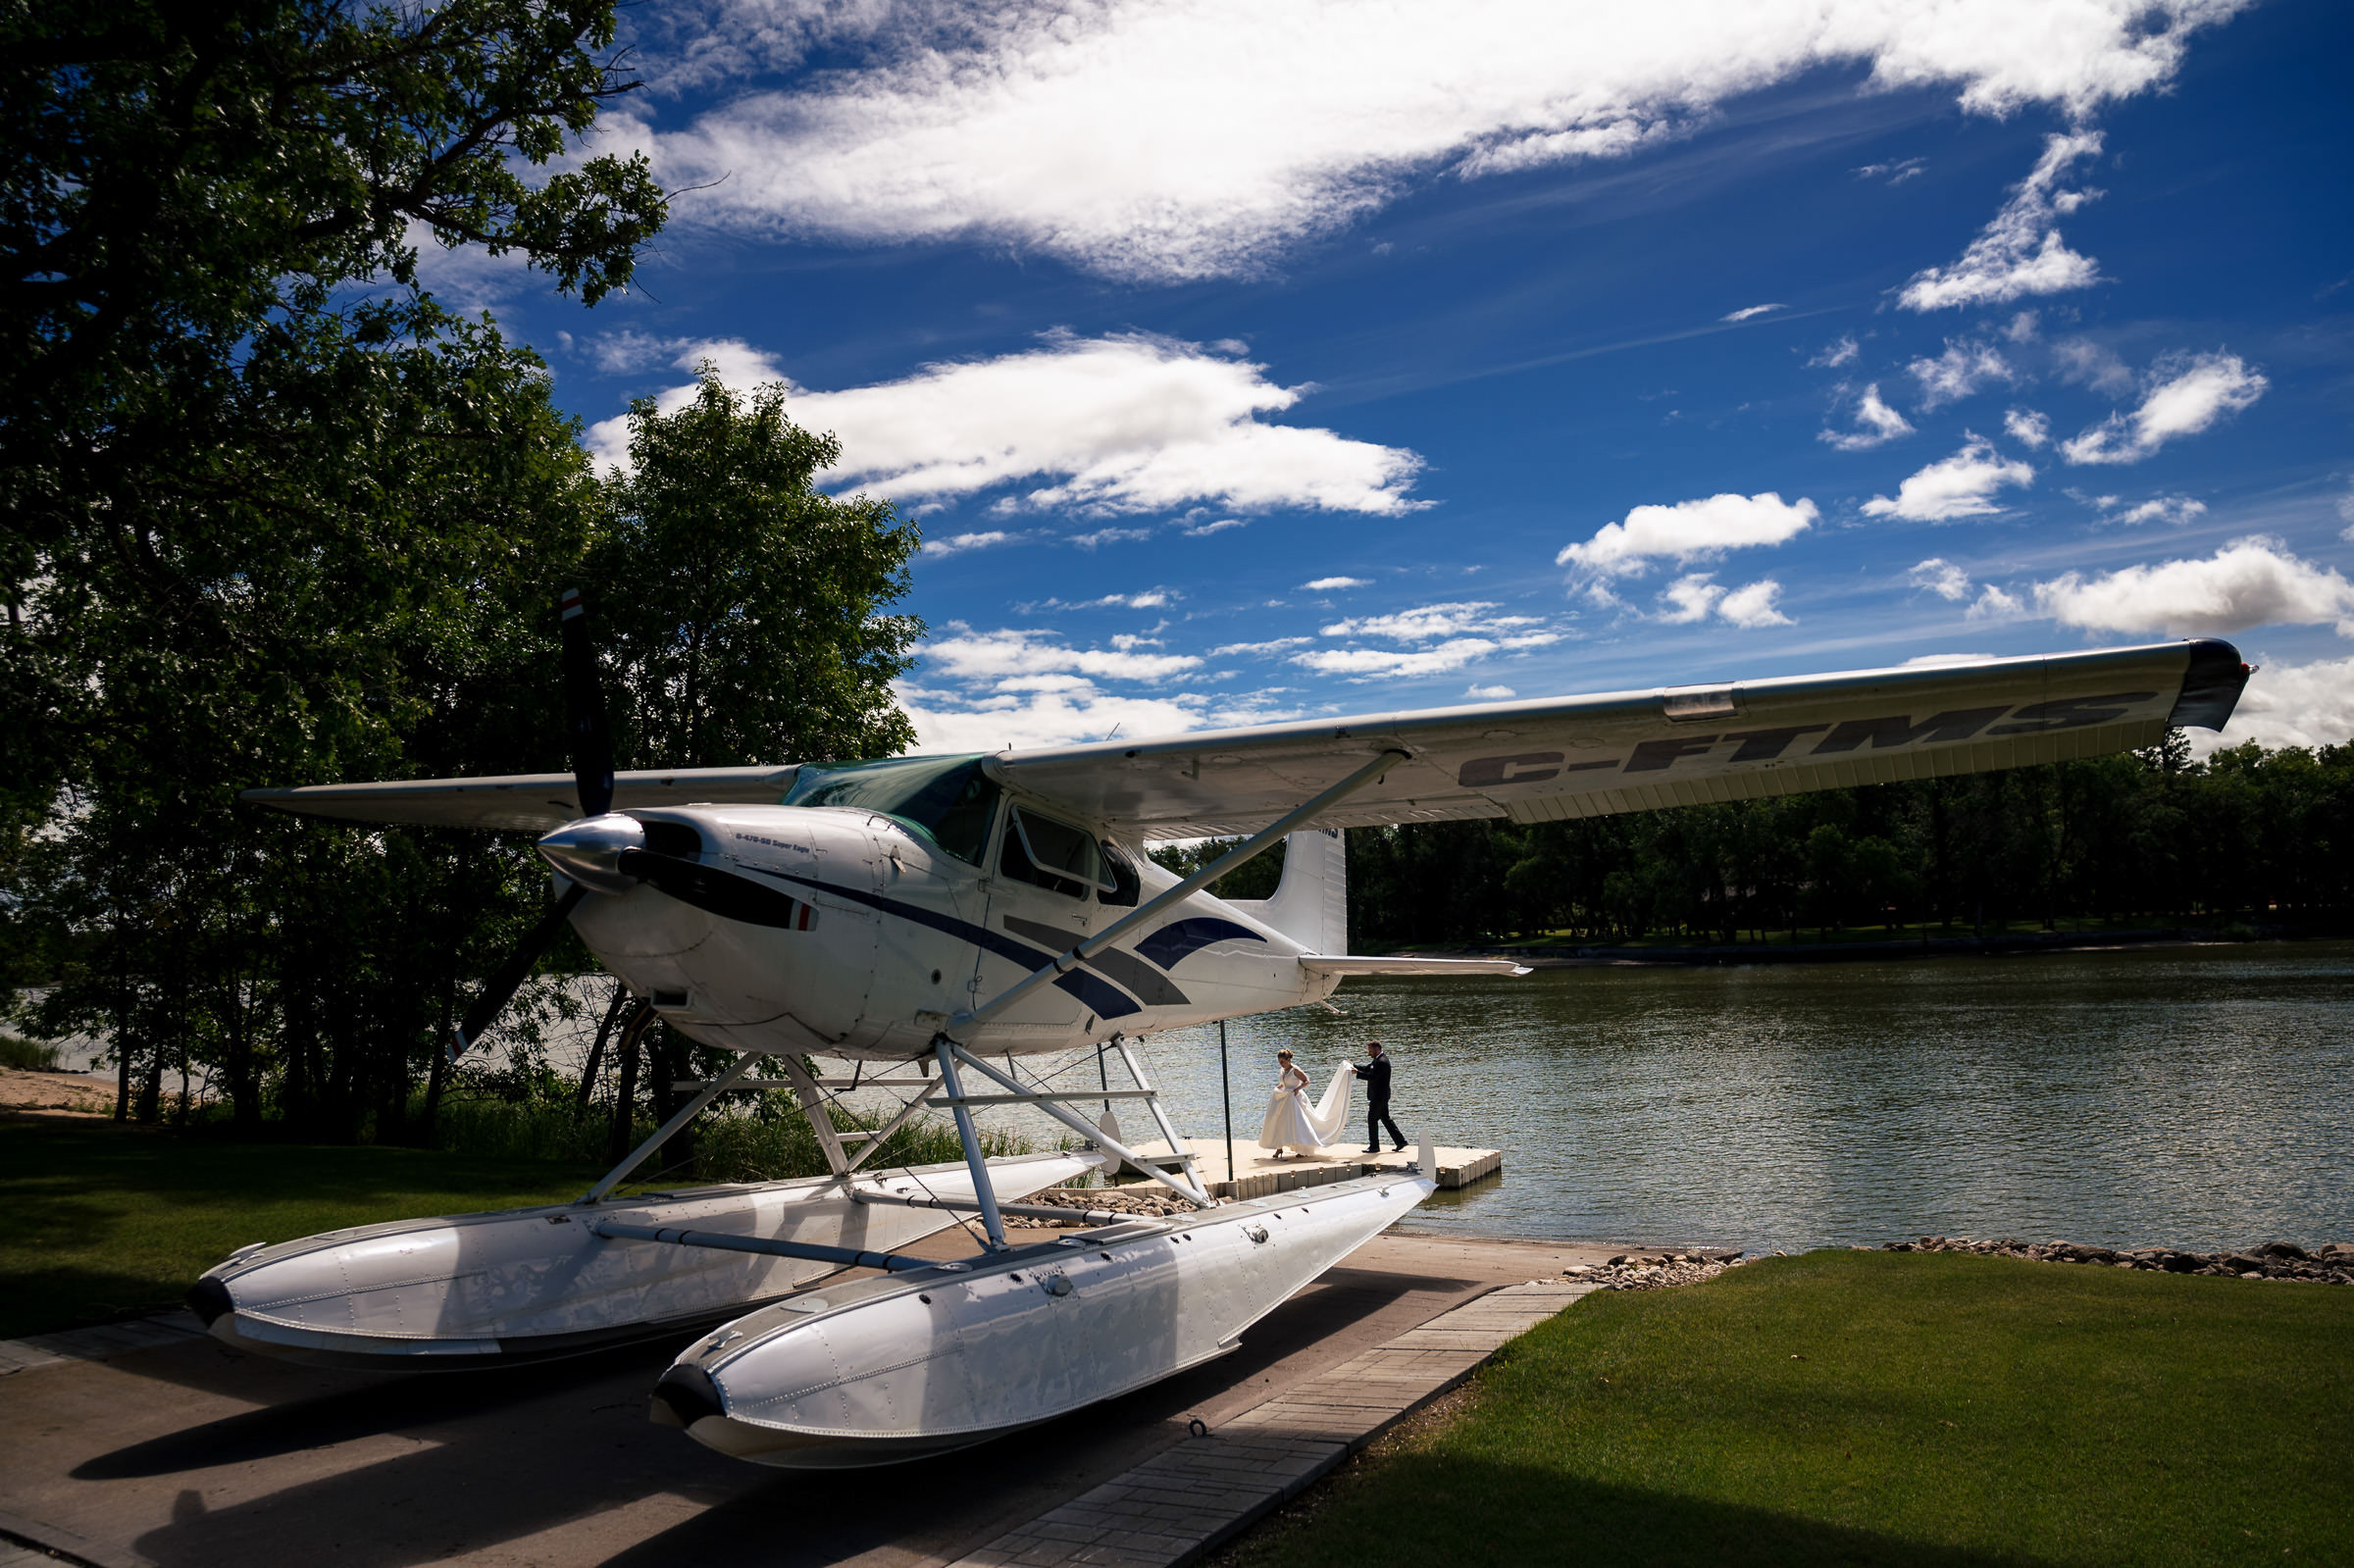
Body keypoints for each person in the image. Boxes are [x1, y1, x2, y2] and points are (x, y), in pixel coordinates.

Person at [1256, 1048, 1352, 1156]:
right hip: (1285, 1099)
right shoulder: (1282, 1070)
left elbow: (1307, 1081)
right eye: (1279, 1061)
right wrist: (1278, 1088)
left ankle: (1301, 1149)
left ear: (1288, 1060)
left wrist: (1297, 1089)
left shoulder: (1295, 1070)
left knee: (1298, 1124)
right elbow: (1284, 1083)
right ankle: (1279, 1148)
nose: (1281, 1064)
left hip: (1295, 1099)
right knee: (1280, 1122)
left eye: (1282, 1061)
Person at [1352, 1040, 1407, 1153]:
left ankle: (1374, 1146)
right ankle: (1400, 1141)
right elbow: (1368, 1068)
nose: (1369, 1053)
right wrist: (1353, 1066)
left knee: (1372, 1120)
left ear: (1376, 1049)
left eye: (1370, 1050)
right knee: (1385, 1118)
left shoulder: (1382, 1062)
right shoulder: (1377, 1060)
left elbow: (1373, 1076)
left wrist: (1357, 1073)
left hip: (1379, 1096)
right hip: (1381, 1096)